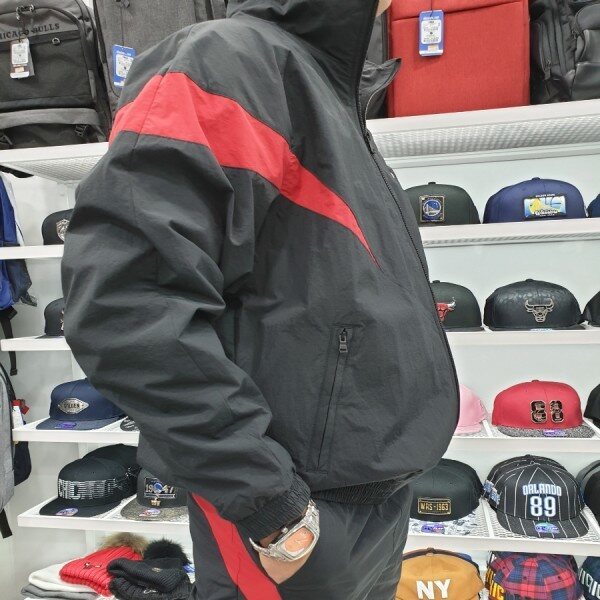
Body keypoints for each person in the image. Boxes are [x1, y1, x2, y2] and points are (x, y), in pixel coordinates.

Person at [61, 0, 459, 598]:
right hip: (292, 517)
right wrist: (275, 512)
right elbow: (125, 306)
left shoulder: (328, 93)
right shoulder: (228, 62)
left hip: (375, 501)